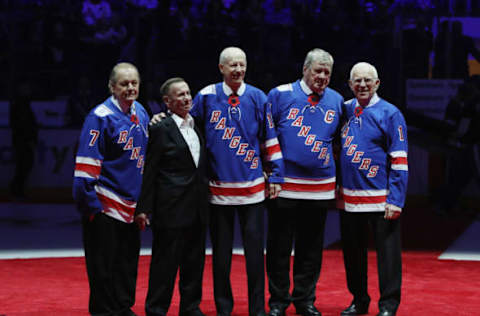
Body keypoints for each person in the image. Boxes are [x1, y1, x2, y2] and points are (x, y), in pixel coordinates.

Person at [191, 46, 283, 316]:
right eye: (233, 65)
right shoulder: (206, 96)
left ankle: (257, 310)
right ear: (221, 68)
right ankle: (224, 309)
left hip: (253, 192)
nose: (238, 70)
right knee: (221, 257)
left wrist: (275, 174)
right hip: (218, 192)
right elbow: (187, 128)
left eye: (242, 64)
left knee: (255, 257)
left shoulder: (258, 97)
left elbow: (270, 138)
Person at [265, 48, 344, 316]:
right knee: (279, 247)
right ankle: (277, 302)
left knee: (311, 249)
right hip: (284, 185)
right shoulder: (280, 94)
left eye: (327, 72)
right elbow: (264, 134)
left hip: (320, 188)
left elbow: (342, 142)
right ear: (305, 69)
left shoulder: (337, 100)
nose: (322, 76)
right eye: (317, 70)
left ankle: (305, 300)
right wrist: (271, 173)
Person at [73, 62, 149, 316]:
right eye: (124, 83)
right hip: (104, 203)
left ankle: (123, 307)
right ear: (112, 87)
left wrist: (143, 205)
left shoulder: (142, 113)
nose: (130, 88)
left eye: (134, 83)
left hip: (131, 205)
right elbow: (86, 164)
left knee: (127, 263)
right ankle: (104, 312)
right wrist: (91, 207)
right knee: (102, 265)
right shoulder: (99, 117)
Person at [338, 62, 408, 316]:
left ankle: (388, 305)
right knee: (352, 255)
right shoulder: (343, 110)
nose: (363, 85)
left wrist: (396, 199)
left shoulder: (391, 113)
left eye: (368, 80)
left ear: (377, 83)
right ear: (349, 84)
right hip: (349, 199)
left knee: (388, 257)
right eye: (357, 80)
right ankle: (359, 300)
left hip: (382, 200)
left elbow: (399, 159)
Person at [135, 78, 209, 316]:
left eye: (188, 93)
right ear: (167, 101)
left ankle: (191, 307)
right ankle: (156, 310)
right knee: (164, 265)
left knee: (194, 263)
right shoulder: (159, 128)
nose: (187, 98)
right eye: (180, 95)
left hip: (197, 208)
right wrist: (143, 208)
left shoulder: (197, 126)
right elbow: (150, 171)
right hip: (170, 210)